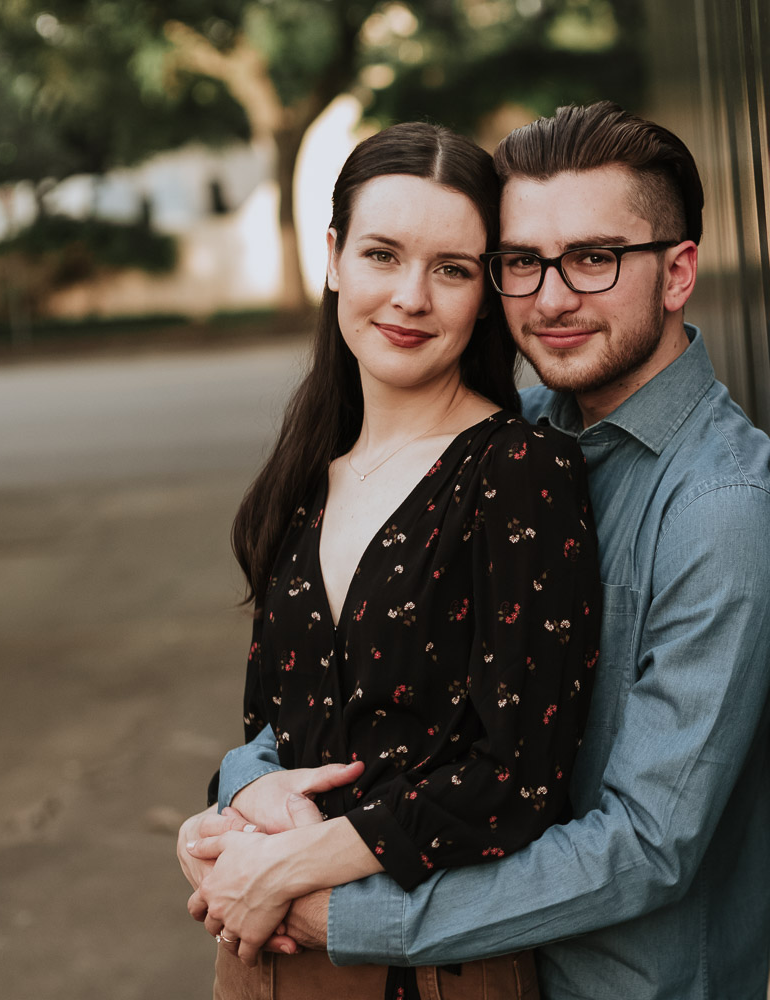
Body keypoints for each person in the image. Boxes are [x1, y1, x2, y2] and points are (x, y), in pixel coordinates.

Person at [197, 102, 770, 1000]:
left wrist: (336, 913)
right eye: (524, 262)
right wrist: (234, 801)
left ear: (677, 274)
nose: (552, 298)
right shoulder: (510, 436)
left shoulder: (721, 508)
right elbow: (381, 696)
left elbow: (647, 844)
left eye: (596, 258)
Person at [175, 120, 602, 999]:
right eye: (382, 255)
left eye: (450, 269)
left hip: (430, 967)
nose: (411, 297)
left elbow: (516, 776)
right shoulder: (303, 479)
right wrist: (226, 811)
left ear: (484, 294)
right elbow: (277, 731)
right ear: (333, 257)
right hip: (259, 954)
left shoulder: (517, 471)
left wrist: (294, 861)